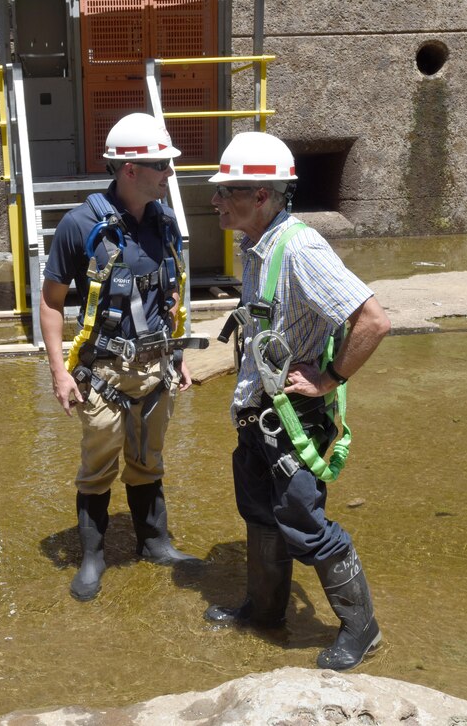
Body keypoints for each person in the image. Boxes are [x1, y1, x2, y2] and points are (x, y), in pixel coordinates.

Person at [203, 131, 391, 671]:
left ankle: (363, 628)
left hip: (293, 422)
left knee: (304, 524)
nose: (215, 200)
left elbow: (373, 321)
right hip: (258, 418)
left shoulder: (301, 248)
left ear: (262, 195)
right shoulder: (257, 248)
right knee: (260, 513)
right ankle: (265, 611)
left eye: (226, 190)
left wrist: (329, 377)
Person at [40, 112, 206, 602]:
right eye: (161, 165)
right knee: (99, 461)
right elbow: (50, 302)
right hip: (103, 370)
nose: (169, 174)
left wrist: (177, 357)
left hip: (156, 366)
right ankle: (93, 557)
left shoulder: (164, 223)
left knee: (148, 459)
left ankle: (155, 544)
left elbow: (170, 298)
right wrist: (58, 373)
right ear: (130, 169)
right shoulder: (80, 225)